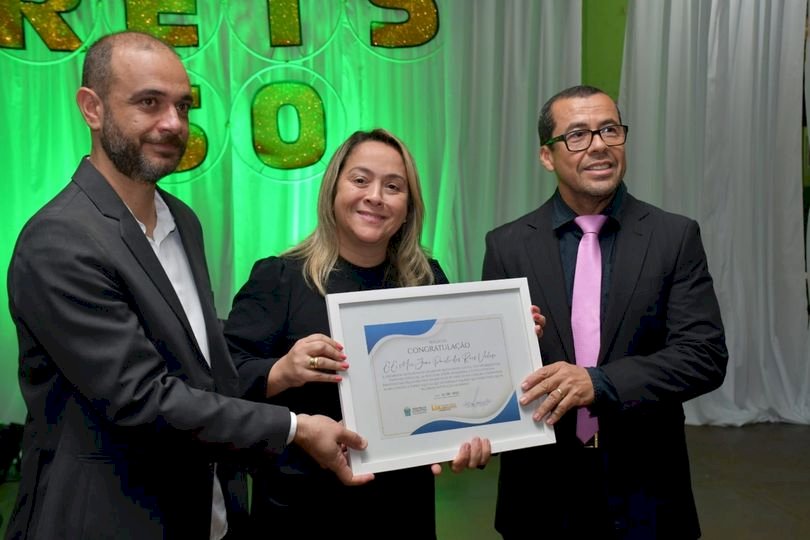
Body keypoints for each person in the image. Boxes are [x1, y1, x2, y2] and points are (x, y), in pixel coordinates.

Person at [5, 31, 372, 540]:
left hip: (205, 512)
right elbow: (140, 399)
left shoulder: (180, 219)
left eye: (182, 105)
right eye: (149, 103)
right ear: (92, 108)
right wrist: (294, 427)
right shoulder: (60, 241)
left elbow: (191, 352)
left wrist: (277, 370)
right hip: (110, 520)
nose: (173, 123)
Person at [224, 128, 506, 538]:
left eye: (393, 187)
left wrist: (472, 430)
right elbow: (225, 379)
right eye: (360, 180)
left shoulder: (427, 280)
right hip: (302, 509)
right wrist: (281, 371)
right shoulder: (280, 278)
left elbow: (451, 386)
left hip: (402, 509)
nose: (375, 196)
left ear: (408, 207)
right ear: (333, 191)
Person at [482, 85, 728, 539]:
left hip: (647, 491)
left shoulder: (674, 237)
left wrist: (598, 382)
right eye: (577, 135)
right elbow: (491, 370)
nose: (599, 145)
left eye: (610, 130)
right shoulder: (507, 245)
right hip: (540, 493)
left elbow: (704, 357)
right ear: (547, 156)